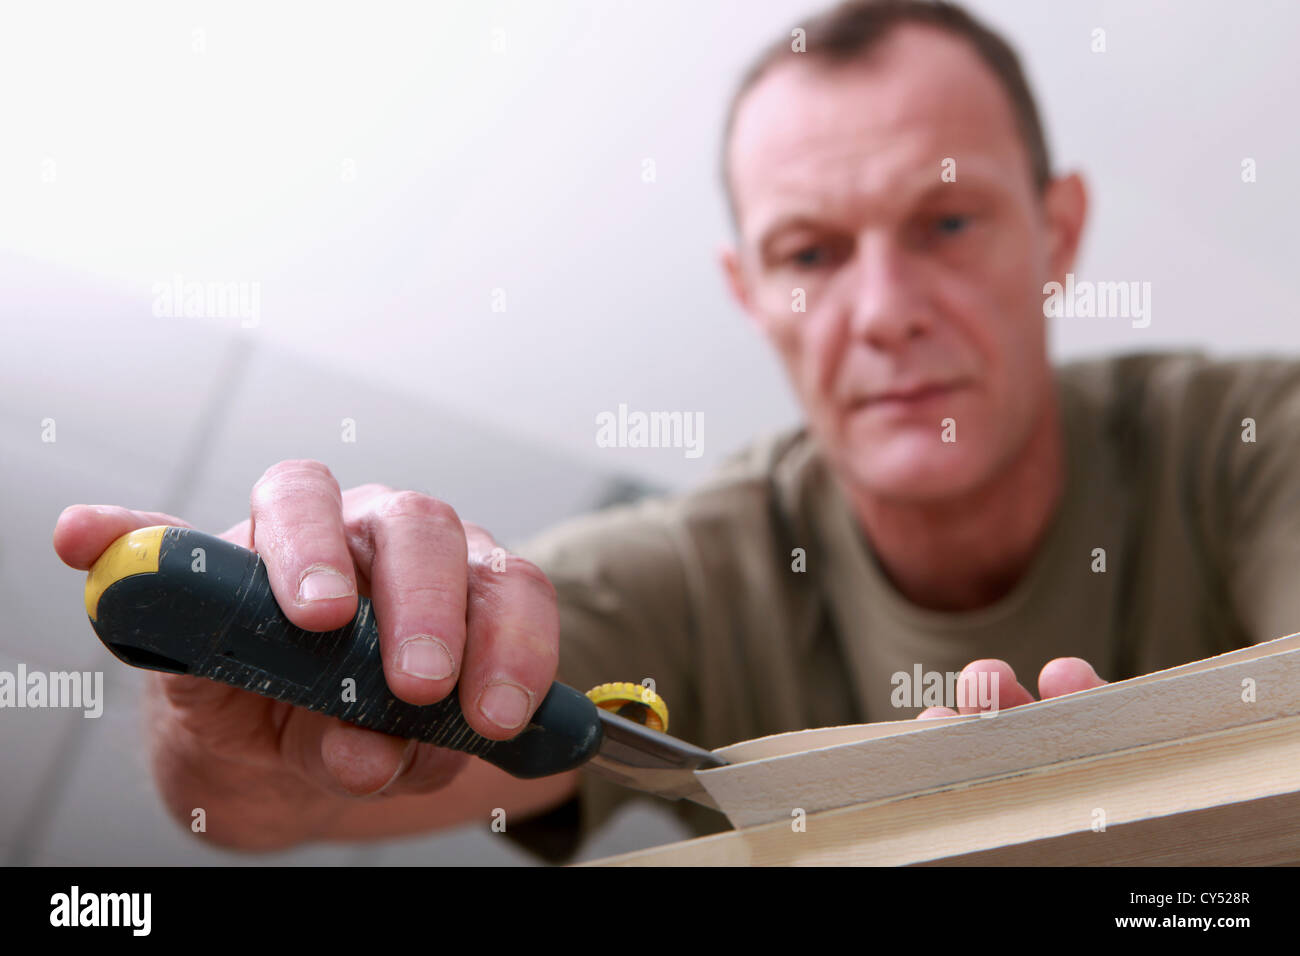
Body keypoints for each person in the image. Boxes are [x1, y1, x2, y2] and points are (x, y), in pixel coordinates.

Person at [52, 0, 1300, 863]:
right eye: (810, 252)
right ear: (750, 289)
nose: (881, 314)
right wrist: (235, 725)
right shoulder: (692, 575)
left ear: (1061, 233)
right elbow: (261, 813)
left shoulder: (1255, 436)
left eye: (949, 224)